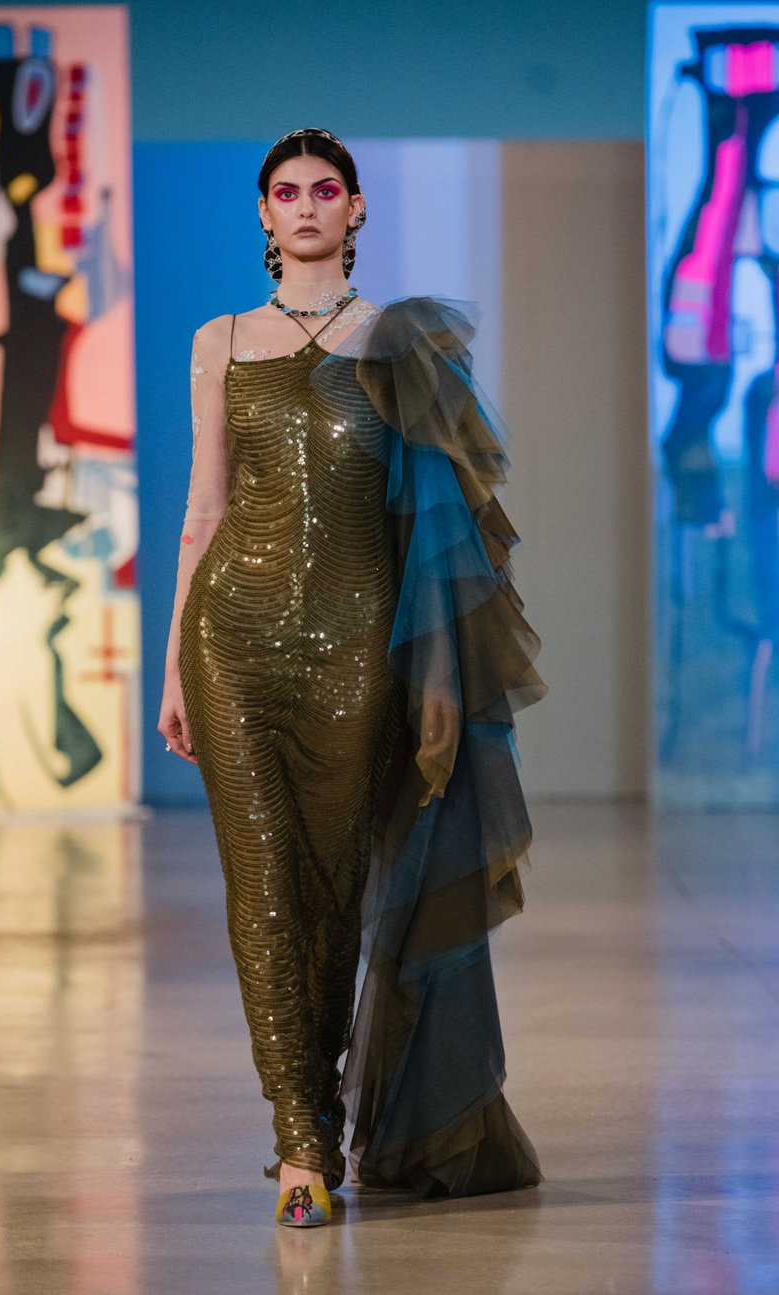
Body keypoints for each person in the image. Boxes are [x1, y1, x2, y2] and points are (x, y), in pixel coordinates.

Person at [159, 127, 548, 1229]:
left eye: (325, 189)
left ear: (357, 206)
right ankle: (299, 1142)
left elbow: (441, 523)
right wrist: (173, 665)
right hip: (231, 640)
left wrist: (436, 673)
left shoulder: (399, 342)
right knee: (261, 889)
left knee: (332, 893)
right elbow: (203, 509)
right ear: (264, 213)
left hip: (356, 646)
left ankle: (322, 1115)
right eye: (285, 191)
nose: (306, 205)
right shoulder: (219, 340)